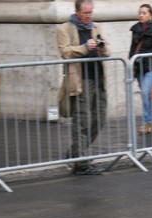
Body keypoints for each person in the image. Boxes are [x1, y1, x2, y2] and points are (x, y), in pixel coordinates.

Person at [57, 0, 110, 175]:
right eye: (86, 13)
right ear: (77, 12)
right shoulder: (65, 29)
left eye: (91, 13)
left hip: (98, 79)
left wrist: (101, 48)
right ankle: (80, 163)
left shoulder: (95, 27)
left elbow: (108, 50)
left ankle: (75, 154)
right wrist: (85, 47)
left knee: (99, 119)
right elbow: (65, 51)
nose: (89, 16)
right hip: (80, 82)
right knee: (82, 122)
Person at [129, 4, 152, 135]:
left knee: (145, 93)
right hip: (140, 68)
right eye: (140, 13)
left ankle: (146, 123)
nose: (141, 15)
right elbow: (133, 49)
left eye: (144, 13)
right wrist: (130, 63)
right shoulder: (135, 29)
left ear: (150, 15)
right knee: (147, 96)